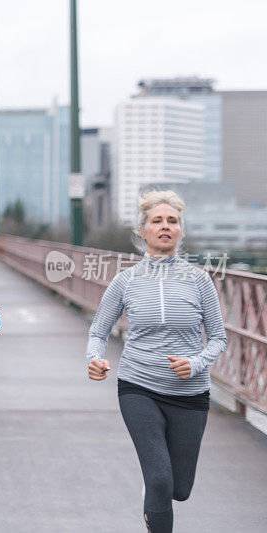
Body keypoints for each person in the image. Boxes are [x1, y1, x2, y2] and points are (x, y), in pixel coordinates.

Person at [85, 190, 227, 533]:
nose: (165, 226)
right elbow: (98, 332)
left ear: (180, 231)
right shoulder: (125, 280)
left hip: (190, 393)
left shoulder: (200, 280)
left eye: (172, 221)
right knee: (161, 480)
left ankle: (155, 488)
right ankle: (155, 488)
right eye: (157, 220)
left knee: (179, 489)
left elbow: (219, 338)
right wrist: (95, 359)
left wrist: (195, 363)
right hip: (138, 387)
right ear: (143, 230)